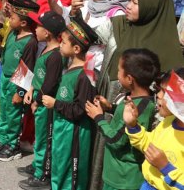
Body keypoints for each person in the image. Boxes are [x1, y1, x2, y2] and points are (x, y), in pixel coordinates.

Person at [85, 49, 160, 190]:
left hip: (123, 180)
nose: (117, 74)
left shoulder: (142, 107)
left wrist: (98, 117)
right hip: (118, 176)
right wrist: (110, 108)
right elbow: (124, 122)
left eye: (119, 70)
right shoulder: (137, 100)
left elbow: (116, 140)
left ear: (130, 79)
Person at [41, 16, 97, 190]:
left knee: (71, 176)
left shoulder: (84, 76)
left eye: (63, 42)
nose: (60, 43)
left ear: (76, 48)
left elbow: (81, 110)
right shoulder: (69, 65)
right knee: (59, 167)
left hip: (74, 131)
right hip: (62, 128)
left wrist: (55, 104)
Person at [0, 0, 39, 161]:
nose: (9, 19)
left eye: (13, 18)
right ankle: (2, 141)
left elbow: (27, 68)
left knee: (13, 114)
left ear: (23, 23)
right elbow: (5, 50)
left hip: (16, 83)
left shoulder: (30, 42)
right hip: (5, 77)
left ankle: (12, 145)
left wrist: (19, 92)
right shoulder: (13, 33)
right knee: (4, 112)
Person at [18, 11, 66, 189]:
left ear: (47, 33)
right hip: (37, 97)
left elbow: (50, 84)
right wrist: (30, 89)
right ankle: (38, 165)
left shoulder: (55, 56)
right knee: (40, 136)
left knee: (45, 139)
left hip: (45, 103)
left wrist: (37, 100)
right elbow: (38, 77)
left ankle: (43, 175)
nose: (35, 29)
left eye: (38, 26)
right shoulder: (44, 48)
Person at [124, 68, 184, 190]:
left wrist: (165, 167)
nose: (159, 95)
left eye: (165, 92)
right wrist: (133, 125)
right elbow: (149, 146)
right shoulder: (168, 121)